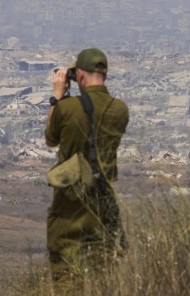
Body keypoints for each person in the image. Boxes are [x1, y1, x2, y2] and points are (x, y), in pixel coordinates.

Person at [45, 48, 129, 282]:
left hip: (71, 199)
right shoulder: (120, 110)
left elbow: (51, 139)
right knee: (104, 270)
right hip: (104, 197)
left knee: (67, 271)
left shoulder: (67, 108)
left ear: (80, 76)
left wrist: (57, 97)